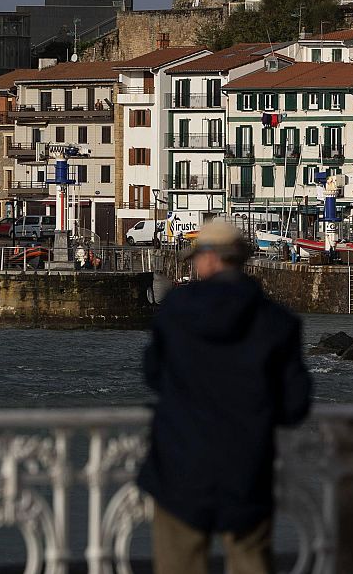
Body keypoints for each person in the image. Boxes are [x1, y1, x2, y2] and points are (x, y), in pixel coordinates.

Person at [137, 218, 312, 574]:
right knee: (251, 563)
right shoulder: (278, 322)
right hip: (247, 468)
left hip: (179, 466)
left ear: (210, 258)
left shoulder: (177, 310)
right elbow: (295, 405)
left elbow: (153, 373)